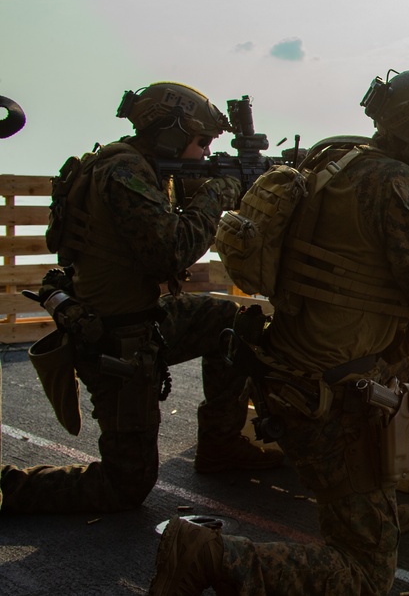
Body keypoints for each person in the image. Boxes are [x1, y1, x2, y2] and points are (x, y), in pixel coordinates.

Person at [147, 69, 409, 595]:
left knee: (373, 517)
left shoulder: (335, 160)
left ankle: (365, 515)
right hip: (334, 401)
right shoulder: (393, 184)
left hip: (292, 376)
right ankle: (208, 555)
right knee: (367, 577)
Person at [0, 82, 284, 515]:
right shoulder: (124, 173)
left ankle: (220, 444)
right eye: (201, 141)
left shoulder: (132, 165)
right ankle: (11, 488)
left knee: (226, 319)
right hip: (116, 341)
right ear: (169, 133)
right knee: (126, 486)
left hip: (137, 319)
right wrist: (219, 192)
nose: (206, 153)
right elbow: (170, 252)